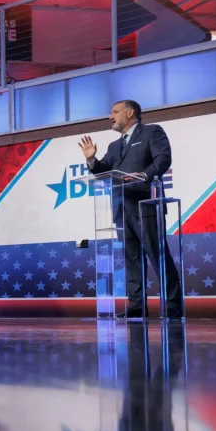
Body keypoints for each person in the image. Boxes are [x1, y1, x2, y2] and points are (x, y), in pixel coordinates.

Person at [78, 100, 182, 318]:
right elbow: (103, 171)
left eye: (115, 112)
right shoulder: (114, 147)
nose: (110, 116)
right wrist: (91, 160)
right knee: (131, 260)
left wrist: (143, 175)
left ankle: (172, 307)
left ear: (130, 113)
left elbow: (163, 159)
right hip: (121, 210)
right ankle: (136, 307)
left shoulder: (152, 132)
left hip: (146, 206)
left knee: (158, 256)